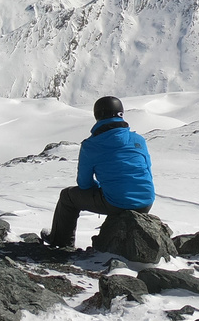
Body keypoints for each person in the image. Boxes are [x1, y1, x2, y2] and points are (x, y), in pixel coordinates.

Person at [43, 96, 155, 249]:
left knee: (67, 197)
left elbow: (84, 183)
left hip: (116, 202)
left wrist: (101, 189)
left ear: (98, 115)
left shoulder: (91, 145)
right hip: (146, 201)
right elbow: (147, 170)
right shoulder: (138, 139)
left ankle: (61, 243)